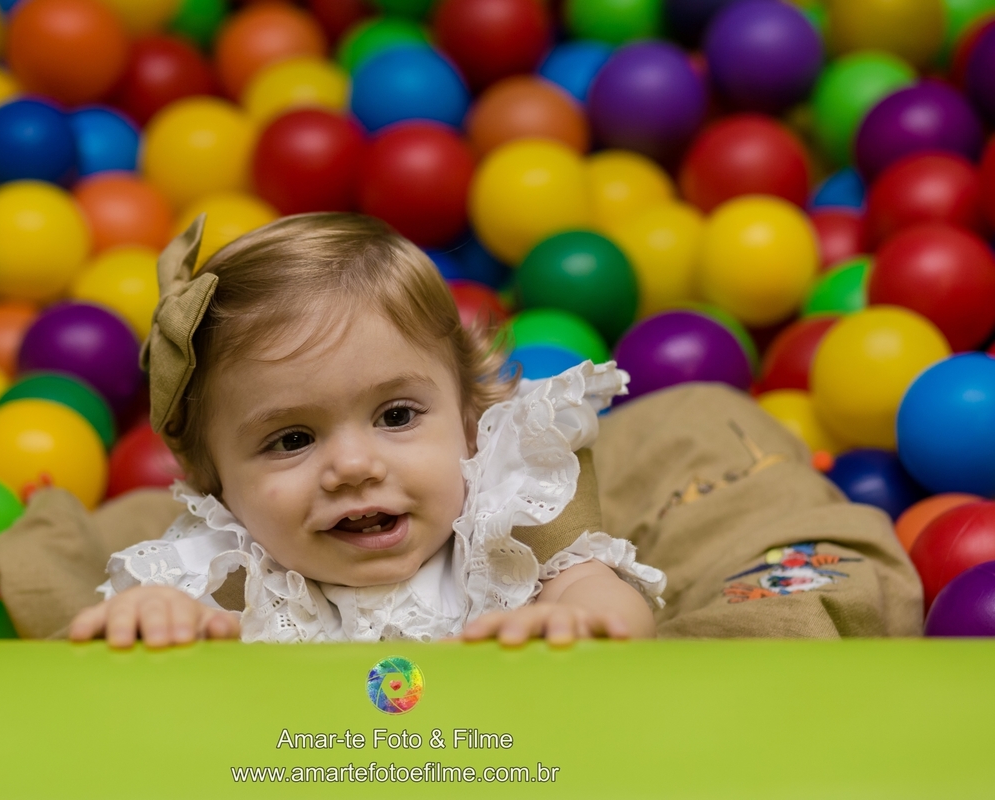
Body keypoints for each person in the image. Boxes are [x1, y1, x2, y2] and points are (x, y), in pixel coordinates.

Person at [66, 212, 666, 647]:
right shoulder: (231, 571)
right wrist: (159, 616)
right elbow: (165, 630)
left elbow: (595, 590)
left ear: (467, 422)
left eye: (397, 416)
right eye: (292, 439)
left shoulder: (503, 527)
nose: (354, 466)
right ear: (215, 484)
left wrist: (577, 623)